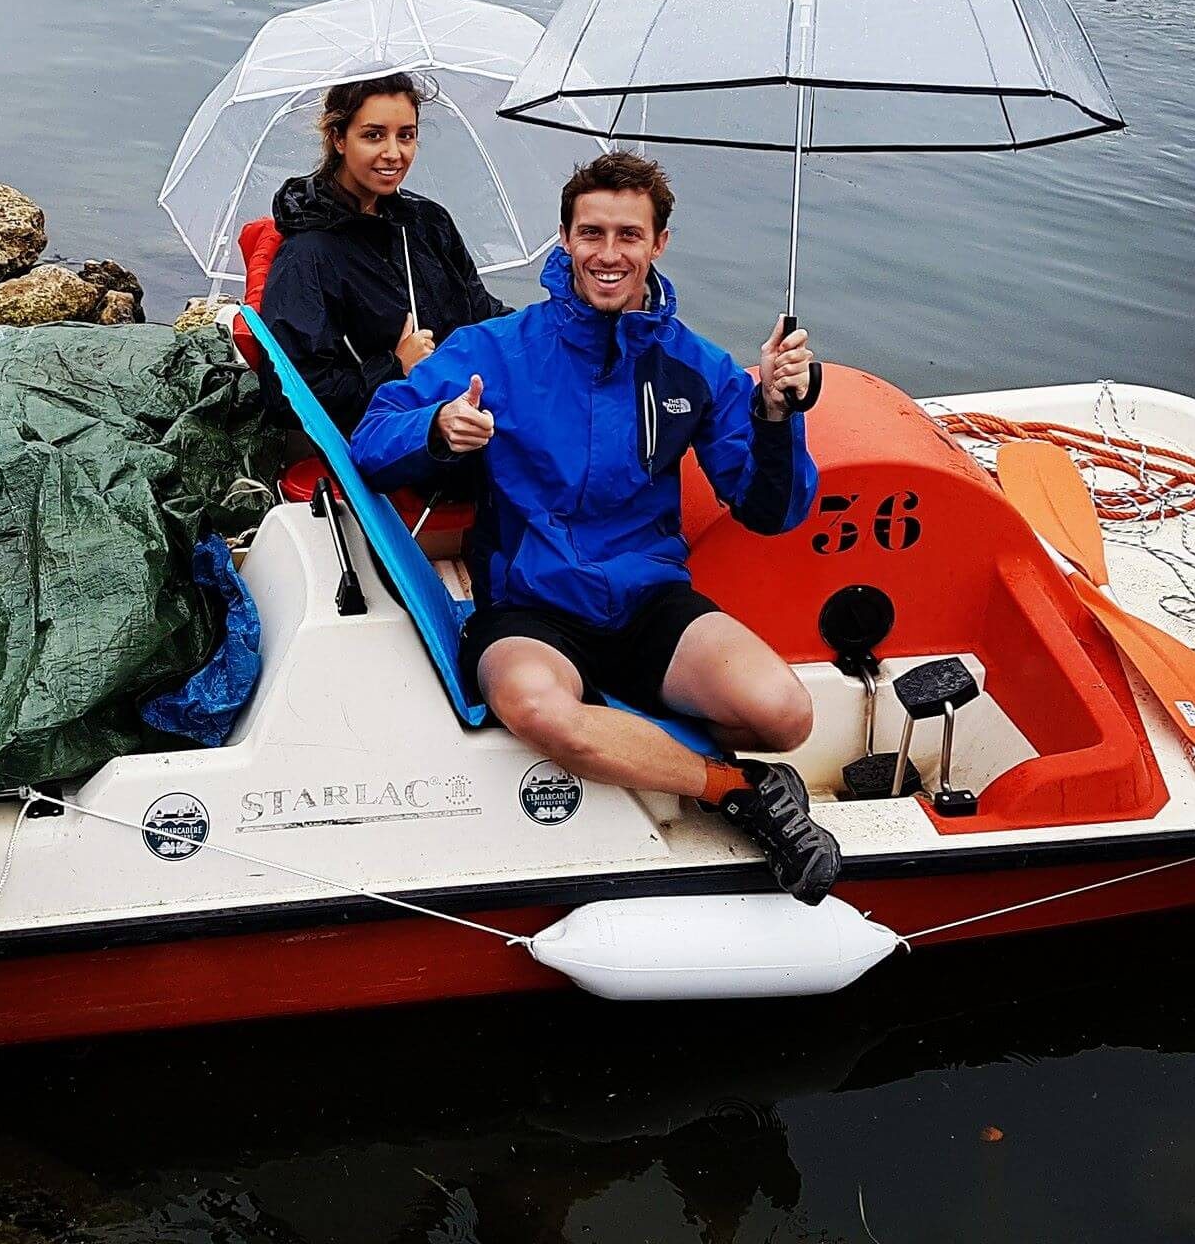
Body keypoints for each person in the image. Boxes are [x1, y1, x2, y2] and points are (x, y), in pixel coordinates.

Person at [350, 149, 842, 904]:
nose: (608, 255)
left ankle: (680, 744)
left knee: (785, 713)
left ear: (659, 243)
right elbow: (370, 439)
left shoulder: (696, 367)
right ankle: (736, 790)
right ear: (565, 237)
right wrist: (439, 427)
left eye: (628, 236)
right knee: (542, 709)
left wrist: (777, 414)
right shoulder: (494, 349)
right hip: (530, 604)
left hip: (646, 599)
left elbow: (768, 510)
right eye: (591, 234)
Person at [257, 72, 511, 439]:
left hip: (466, 407)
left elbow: (481, 313)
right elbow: (287, 397)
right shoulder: (307, 255)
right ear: (338, 139)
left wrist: (548, 331)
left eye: (405, 135)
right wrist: (395, 367)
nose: (394, 153)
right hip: (392, 438)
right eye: (374, 135)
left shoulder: (427, 222)